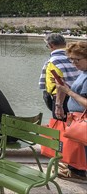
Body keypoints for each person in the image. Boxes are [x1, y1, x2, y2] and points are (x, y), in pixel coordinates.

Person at [54, 41, 87, 182]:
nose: (74, 63)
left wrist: (68, 91)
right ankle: (76, 170)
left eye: (77, 60)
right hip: (78, 118)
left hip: (83, 120)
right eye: (71, 59)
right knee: (80, 150)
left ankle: (79, 172)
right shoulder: (83, 72)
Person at [38, 33, 80, 120]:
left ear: (51, 45)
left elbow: (60, 84)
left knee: (61, 125)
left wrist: (58, 105)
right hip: (78, 97)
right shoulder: (75, 57)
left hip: (62, 99)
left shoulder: (54, 61)